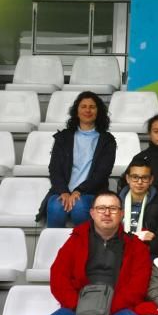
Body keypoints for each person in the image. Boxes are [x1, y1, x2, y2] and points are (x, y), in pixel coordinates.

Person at [41, 192, 150, 315]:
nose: (107, 213)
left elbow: (138, 285)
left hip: (117, 308)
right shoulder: (76, 239)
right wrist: (78, 306)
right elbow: (58, 276)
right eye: (101, 208)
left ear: (122, 214)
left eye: (113, 208)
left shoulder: (136, 246)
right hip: (77, 307)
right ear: (92, 213)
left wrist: (109, 308)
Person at [39, 91, 117, 227]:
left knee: (79, 207)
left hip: (91, 192)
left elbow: (102, 173)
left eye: (92, 107)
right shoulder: (63, 137)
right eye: (83, 106)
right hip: (62, 191)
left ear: (98, 111)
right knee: (56, 207)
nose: (88, 110)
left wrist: (78, 191)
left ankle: (83, 247)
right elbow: (54, 169)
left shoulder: (107, 141)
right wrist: (63, 191)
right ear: (77, 111)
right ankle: (55, 247)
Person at [119, 157, 158, 257]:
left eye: (144, 178)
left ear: (151, 180)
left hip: (148, 253)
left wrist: (152, 242)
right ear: (127, 179)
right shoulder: (115, 202)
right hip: (119, 251)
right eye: (135, 177)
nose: (139, 182)